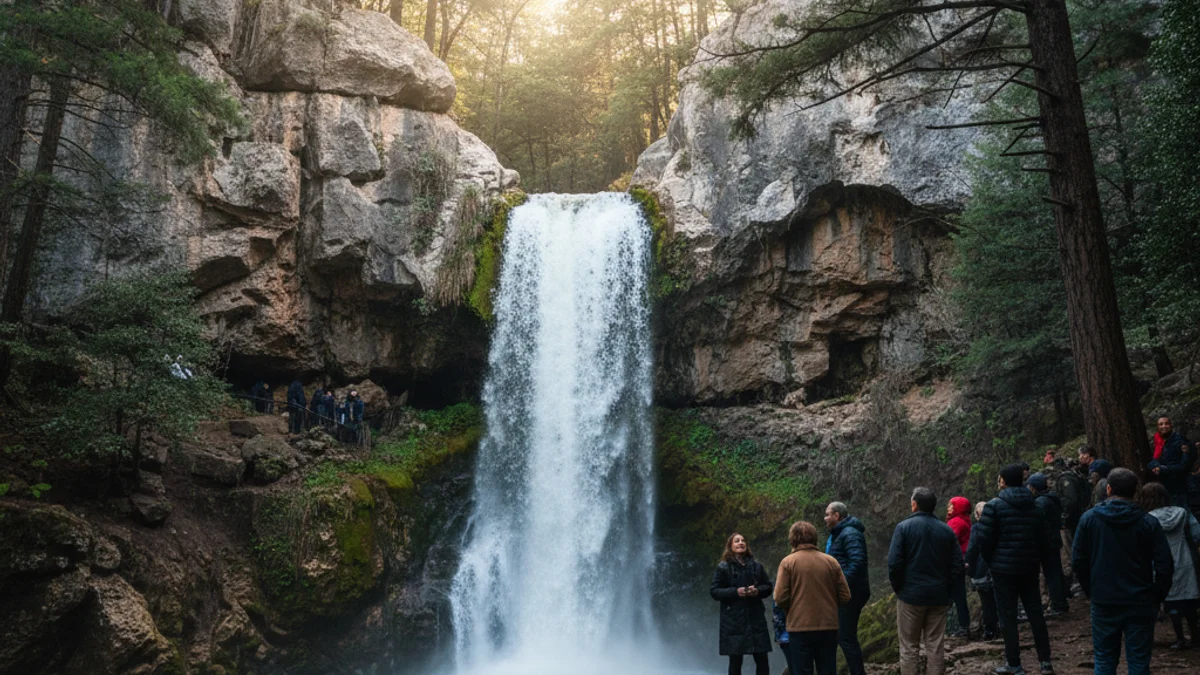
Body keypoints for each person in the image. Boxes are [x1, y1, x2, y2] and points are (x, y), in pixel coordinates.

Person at [1072, 468, 1173, 675]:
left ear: (1108, 489)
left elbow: (1078, 561)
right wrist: (1158, 594)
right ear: (1135, 491)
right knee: (1138, 661)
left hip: (1105, 599)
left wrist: (1092, 590)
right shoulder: (1148, 522)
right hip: (1140, 599)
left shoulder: (1089, 519)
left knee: (1105, 658)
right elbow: (1165, 564)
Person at [968, 463, 1054, 675]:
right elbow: (1043, 539)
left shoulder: (994, 506)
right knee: (1035, 613)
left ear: (1003, 481)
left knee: (1007, 615)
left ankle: (1014, 663)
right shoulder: (1035, 506)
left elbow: (984, 541)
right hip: (1029, 567)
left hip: (1002, 570)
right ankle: (1045, 662)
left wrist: (993, 561)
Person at [887, 487, 963, 675]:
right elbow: (957, 565)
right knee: (935, 646)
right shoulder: (946, 530)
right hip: (939, 595)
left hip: (910, 595)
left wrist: (899, 589)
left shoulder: (903, 528)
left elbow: (894, 563)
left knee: (909, 647)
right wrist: (950, 591)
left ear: (914, 504)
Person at [775, 520, 851, 675]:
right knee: (828, 670)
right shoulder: (831, 561)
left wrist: (793, 608)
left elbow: (780, 597)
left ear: (793, 539)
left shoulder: (788, 563)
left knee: (803, 670)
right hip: (828, 625)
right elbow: (845, 596)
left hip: (799, 627)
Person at [1139, 481, 1200, 650]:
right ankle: (1195, 635)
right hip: (1185, 559)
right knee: (1188, 600)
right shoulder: (1182, 513)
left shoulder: (1147, 519)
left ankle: (1180, 638)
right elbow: (1195, 534)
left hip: (1162, 561)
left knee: (1171, 602)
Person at [711, 533, 773, 675]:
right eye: (737, 541)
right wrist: (735, 592)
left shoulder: (757, 566)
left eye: (743, 540)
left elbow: (768, 587)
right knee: (735, 661)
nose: (741, 543)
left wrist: (757, 591)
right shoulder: (723, 567)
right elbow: (714, 591)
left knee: (762, 658)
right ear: (730, 546)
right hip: (733, 620)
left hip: (755, 618)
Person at [824, 502, 869, 675]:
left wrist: (840, 584)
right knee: (841, 636)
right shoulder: (840, 533)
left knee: (846, 637)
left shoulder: (849, 533)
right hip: (846, 592)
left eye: (828, 514)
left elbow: (857, 563)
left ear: (837, 516)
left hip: (851, 593)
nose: (825, 518)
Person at [1027, 473, 1069, 616]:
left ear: (1033, 487)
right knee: (1055, 572)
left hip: (1047, 543)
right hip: (1053, 540)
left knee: (1051, 574)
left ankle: (1058, 604)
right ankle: (1061, 600)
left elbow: (1037, 522)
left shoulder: (1041, 503)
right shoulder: (1051, 498)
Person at [968, 501, 998, 641]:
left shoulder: (977, 528)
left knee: (987, 603)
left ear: (978, 514)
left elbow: (972, 549)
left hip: (983, 571)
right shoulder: (999, 525)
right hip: (1000, 569)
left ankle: (990, 630)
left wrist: (970, 569)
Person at [1150, 416, 1194, 508]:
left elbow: (1184, 466)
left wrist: (1162, 468)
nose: (1164, 426)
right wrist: (1154, 466)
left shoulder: (1180, 441)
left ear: (1171, 425)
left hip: (1180, 486)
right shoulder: (1158, 441)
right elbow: (1154, 459)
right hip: (1164, 486)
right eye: (1161, 424)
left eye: (1166, 423)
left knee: (1185, 513)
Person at [946, 496, 973, 638]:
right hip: (960, 563)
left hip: (953, 564)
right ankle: (963, 626)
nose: (948, 508)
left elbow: (947, 541)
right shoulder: (964, 520)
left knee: (955, 596)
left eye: (951, 506)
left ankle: (959, 627)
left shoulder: (957, 522)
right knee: (959, 596)